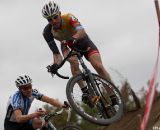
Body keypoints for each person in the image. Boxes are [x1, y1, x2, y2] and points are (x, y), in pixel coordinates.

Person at [42, 1, 118, 107]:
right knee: (73, 61)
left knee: (98, 66)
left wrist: (74, 38)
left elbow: (82, 31)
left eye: (55, 17)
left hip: (82, 40)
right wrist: (55, 65)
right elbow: (57, 54)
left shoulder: (69, 17)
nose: (53, 21)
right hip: (66, 45)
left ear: (59, 13)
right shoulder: (47, 32)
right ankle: (85, 91)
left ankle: (114, 96)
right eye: (50, 19)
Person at [4, 75, 68, 130]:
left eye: (29, 86)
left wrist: (62, 105)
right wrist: (36, 114)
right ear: (20, 89)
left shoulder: (33, 92)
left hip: (24, 122)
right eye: (25, 88)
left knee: (38, 121)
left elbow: (49, 100)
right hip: (11, 125)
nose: (29, 90)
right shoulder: (16, 98)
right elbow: (19, 118)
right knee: (37, 118)